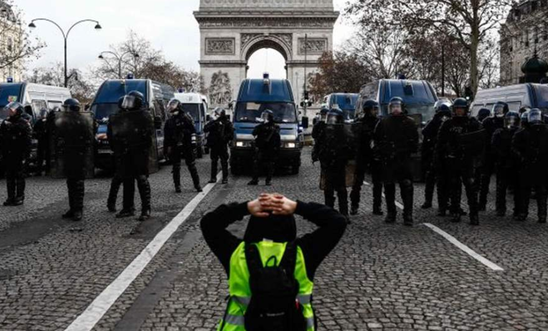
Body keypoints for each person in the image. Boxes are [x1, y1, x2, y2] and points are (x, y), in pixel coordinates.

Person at [201, 193, 347, 330]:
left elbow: (208, 223)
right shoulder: (303, 253)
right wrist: (297, 207)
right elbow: (337, 221)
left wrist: (245, 208)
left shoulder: (237, 253)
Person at [108, 91, 154, 221]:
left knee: (142, 180)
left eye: (131, 101)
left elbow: (148, 136)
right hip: (124, 153)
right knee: (127, 181)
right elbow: (113, 134)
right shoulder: (120, 116)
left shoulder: (144, 116)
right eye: (127, 100)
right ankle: (128, 208)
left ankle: (146, 209)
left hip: (139, 153)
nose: (127, 103)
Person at [436, 98, 483, 225]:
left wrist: (474, 155)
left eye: (461, 109)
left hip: (467, 160)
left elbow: (480, 141)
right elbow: (440, 142)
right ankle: (455, 211)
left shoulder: (472, 123)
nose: (459, 111)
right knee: (454, 187)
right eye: (457, 109)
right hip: (453, 159)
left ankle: (474, 215)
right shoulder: (448, 124)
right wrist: (444, 154)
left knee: (471, 188)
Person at [374, 97, 419, 226]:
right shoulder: (383, 122)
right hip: (388, 160)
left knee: (406, 186)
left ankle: (408, 214)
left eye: (397, 106)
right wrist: (381, 152)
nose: (395, 109)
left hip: (403, 159)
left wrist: (407, 149)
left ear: (402, 107)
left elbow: (415, 141)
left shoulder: (409, 122)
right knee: (388, 186)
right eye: (393, 106)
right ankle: (391, 212)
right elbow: (376, 139)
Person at [52, 98, 95, 221]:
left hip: (79, 155)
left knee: (78, 183)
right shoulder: (65, 121)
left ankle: (78, 209)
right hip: (68, 154)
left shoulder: (82, 121)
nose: (64, 110)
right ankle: (72, 208)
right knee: (70, 182)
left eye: (66, 108)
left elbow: (89, 139)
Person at [512, 108, 548, 223]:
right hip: (527, 164)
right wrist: (521, 157)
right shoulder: (522, 133)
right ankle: (523, 212)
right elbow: (514, 147)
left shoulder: (545, 131)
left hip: (541, 165)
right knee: (525, 190)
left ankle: (542, 215)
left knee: (541, 191)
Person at [350, 99, 383, 216]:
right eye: (374, 109)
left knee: (378, 183)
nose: (376, 111)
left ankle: (377, 206)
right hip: (362, 154)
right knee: (357, 182)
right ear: (368, 110)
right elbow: (354, 139)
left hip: (375, 155)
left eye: (376, 109)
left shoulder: (379, 123)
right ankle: (354, 205)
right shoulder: (359, 123)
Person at [318, 108, 352, 219]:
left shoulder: (343, 132)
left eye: (333, 118)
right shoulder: (324, 131)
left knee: (341, 190)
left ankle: (344, 213)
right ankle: (329, 213)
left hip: (339, 164)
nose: (331, 121)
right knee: (328, 190)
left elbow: (350, 147)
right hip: (328, 164)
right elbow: (318, 144)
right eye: (330, 118)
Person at [164, 98, 202, 193]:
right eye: (171, 106)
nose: (172, 109)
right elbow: (167, 137)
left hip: (187, 144)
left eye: (174, 106)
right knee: (176, 167)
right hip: (175, 145)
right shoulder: (170, 121)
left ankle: (197, 185)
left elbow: (193, 132)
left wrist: (193, 144)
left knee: (191, 166)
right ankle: (177, 186)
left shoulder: (186, 117)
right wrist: (166, 149)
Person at [421, 100, 452, 211]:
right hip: (433, 154)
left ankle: (444, 202)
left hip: (445, 154)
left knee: (444, 181)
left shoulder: (450, 123)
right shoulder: (433, 122)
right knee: (430, 179)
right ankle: (429, 200)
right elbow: (425, 134)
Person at [478, 101, 509, 211]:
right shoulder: (487, 122)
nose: (497, 111)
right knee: (484, 180)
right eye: (496, 109)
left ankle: (500, 206)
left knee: (501, 182)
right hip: (488, 153)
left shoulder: (507, 122)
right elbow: (481, 136)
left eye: (500, 109)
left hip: (501, 155)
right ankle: (482, 204)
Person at [0, 102, 32, 206]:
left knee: (19, 177)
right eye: (9, 110)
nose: (10, 112)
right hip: (8, 154)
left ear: (18, 111)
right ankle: (10, 197)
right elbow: (2, 138)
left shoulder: (23, 123)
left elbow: (27, 141)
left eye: (12, 110)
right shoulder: (6, 122)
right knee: (10, 177)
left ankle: (20, 197)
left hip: (19, 154)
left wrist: (26, 155)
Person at [491, 111, 521, 218]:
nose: (511, 123)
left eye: (513, 121)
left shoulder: (520, 133)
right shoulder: (499, 133)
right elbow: (494, 147)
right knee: (501, 188)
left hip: (516, 164)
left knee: (518, 189)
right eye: (509, 120)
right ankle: (500, 209)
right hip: (503, 163)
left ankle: (518, 210)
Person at [248, 110, 281, 186]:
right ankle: (266, 180)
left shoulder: (262, 127)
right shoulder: (275, 127)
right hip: (268, 149)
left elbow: (253, 134)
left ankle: (256, 179)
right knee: (267, 165)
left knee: (259, 164)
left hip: (264, 149)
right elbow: (278, 139)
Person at [204, 107, 233, 184]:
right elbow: (205, 128)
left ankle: (225, 178)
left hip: (222, 145)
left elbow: (231, 134)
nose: (216, 115)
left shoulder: (227, 123)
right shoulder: (214, 122)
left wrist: (225, 138)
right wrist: (214, 123)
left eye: (217, 114)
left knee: (224, 162)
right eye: (215, 114)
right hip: (214, 145)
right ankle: (213, 178)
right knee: (214, 162)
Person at [33, 108, 49, 176]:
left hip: (46, 141)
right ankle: (40, 171)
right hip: (42, 141)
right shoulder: (39, 122)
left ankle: (47, 171)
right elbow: (34, 131)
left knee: (47, 157)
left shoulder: (48, 122)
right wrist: (39, 134)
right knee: (40, 157)